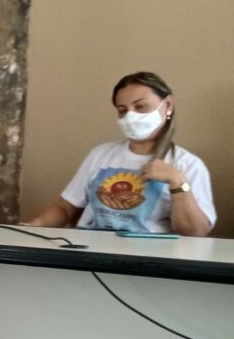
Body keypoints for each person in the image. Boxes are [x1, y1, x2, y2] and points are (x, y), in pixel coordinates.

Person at [27, 72, 215, 236]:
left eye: (140, 107)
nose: (130, 116)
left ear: (167, 105)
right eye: (122, 110)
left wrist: (178, 183)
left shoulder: (187, 164)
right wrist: (31, 228)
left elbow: (195, 234)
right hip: (90, 255)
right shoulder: (100, 155)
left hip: (148, 263)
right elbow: (65, 208)